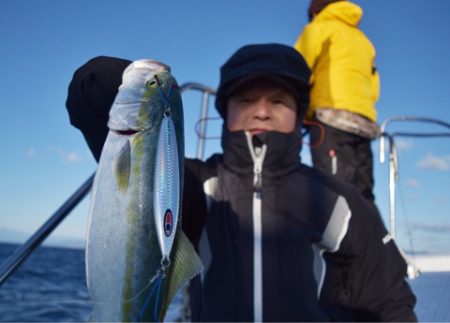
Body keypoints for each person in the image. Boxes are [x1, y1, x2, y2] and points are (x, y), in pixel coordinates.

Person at [65, 44, 416, 321]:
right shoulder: (195, 187)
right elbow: (139, 174)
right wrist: (115, 86)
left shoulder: (339, 200)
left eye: (278, 100)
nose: (261, 110)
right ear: (225, 110)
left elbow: (386, 299)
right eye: (246, 99)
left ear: (299, 113)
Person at [294, 0, 381, 202]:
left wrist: (299, 113)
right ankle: (374, 234)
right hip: (364, 124)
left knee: (334, 193)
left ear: (315, 12)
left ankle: (336, 234)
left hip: (330, 119)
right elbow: (374, 87)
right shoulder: (364, 42)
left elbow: (298, 70)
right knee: (364, 195)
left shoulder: (318, 29)